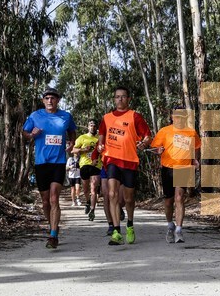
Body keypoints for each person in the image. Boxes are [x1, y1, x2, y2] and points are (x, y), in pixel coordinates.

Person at [22, 87, 76, 250]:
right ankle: (53, 225)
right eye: (47, 98)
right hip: (41, 163)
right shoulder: (35, 116)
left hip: (58, 163)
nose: (50, 101)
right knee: (45, 202)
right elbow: (24, 132)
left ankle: (53, 235)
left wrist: (72, 142)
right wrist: (32, 135)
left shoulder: (65, 116)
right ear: (43, 101)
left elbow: (72, 131)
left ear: (58, 100)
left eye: (53, 98)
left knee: (54, 198)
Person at [97, 86, 151, 246]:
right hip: (111, 159)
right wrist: (100, 146)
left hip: (129, 161)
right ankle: (115, 230)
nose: (120, 99)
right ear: (114, 99)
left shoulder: (135, 116)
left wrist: (143, 143)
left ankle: (130, 224)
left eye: (123, 96)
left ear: (128, 99)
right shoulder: (106, 118)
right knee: (112, 194)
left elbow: (147, 136)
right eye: (117, 96)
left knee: (128, 198)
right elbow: (101, 136)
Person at [151, 107, 201, 243]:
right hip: (167, 168)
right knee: (169, 201)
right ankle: (170, 225)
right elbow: (155, 148)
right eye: (176, 115)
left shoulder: (191, 132)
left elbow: (197, 146)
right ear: (172, 117)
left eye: (182, 115)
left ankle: (179, 230)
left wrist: (195, 159)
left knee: (179, 198)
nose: (179, 118)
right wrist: (158, 150)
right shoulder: (164, 131)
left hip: (184, 168)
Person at [73, 119, 101, 220]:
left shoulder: (100, 138)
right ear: (88, 127)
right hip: (84, 165)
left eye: (94, 125)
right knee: (85, 189)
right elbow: (74, 150)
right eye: (90, 125)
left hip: (96, 166)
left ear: (96, 127)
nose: (92, 127)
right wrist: (83, 149)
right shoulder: (82, 137)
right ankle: (88, 202)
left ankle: (92, 210)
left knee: (94, 189)